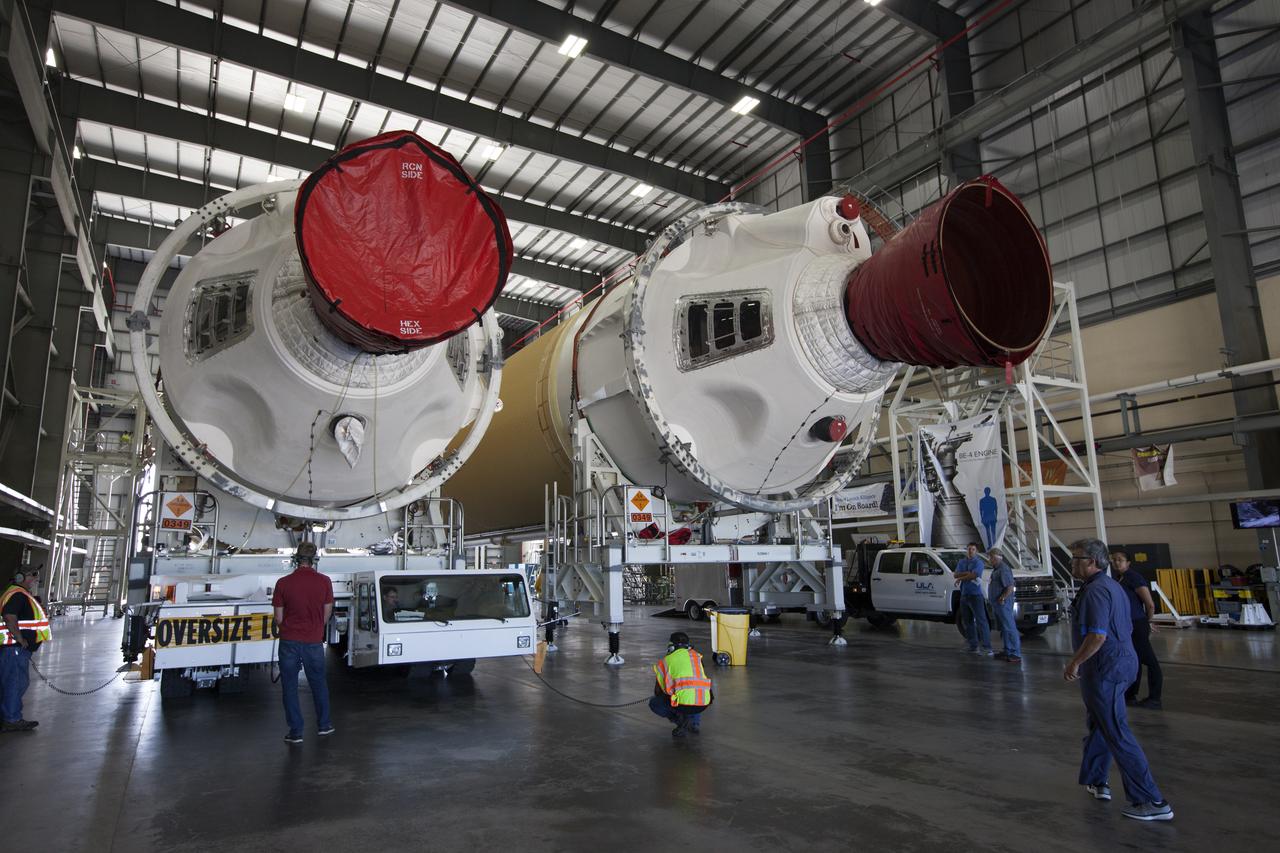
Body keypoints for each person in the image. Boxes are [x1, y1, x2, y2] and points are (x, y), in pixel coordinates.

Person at [1064, 538, 1172, 821]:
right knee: (1100, 723)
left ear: (1092, 562)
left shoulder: (1097, 591)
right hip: (1121, 663)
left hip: (1104, 668)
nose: (1071, 563)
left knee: (1116, 731)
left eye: (1076, 558)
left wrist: (1076, 661)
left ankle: (1151, 800)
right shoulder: (1111, 586)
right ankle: (1097, 780)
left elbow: (1098, 635)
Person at [272, 541, 334, 744]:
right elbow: (327, 613)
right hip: (313, 641)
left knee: (289, 686)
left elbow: (279, 617)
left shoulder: (283, 583)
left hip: (289, 640)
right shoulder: (324, 581)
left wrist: (290, 629)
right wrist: (316, 628)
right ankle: (324, 725)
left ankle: (296, 732)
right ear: (315, 559)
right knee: (318, 684)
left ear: (296, 559)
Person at [1110, 550, 1163, 710]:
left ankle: (1155, 698)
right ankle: (1130, 695)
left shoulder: (1134, 578)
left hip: (1137, 623)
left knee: (1150, 661)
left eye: (1120, 560)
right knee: (1135, 660)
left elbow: (1149, 604)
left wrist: (1148, 621)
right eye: (1114, 560)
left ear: (1128, 563)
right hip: (1127, 625)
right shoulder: (1119, 579)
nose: (1116, 563)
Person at [0, 569, 51, 732]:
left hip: (14, 649)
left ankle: (8, 716)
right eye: (31, 576)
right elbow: (9, 616)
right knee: (15, 683)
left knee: (13, 682)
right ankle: (11, 719)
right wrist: (20, 638)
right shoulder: (17, 594)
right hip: (13, 648)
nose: (35, 579)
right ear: (20, 578)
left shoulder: (19, 593)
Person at [650, 631, 713, 737]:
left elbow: (658, 691)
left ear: (671, 647)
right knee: (694, 693)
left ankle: (682, 722)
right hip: (704, 702)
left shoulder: (666, 661)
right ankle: (694, 724)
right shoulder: (697, 657)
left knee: (655, 703)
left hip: (683, 704)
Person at [954, 542, 993, 656]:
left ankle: (987, 647)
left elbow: (974, 575)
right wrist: (966, 573)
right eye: (969, 549)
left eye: (973, 549)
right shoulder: (962, 562)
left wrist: (962, 577)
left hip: (976, 595)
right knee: (968, 621)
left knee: (981, 621)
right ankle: (973, 645)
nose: (970, 551)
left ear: (976, 551)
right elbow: (955, 574)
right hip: (964, 595)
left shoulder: (979, 562)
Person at [987, 549, 1021, 663]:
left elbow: (1010, 587)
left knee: (1009, 627)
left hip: (1003, 604)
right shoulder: (996, 570)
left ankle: (1015, 653)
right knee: (1004, 628)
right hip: (997, 604)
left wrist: (1002, 598)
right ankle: (1007, 650)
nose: (989, 560)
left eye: (991, 557)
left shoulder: (1003, 569)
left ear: (996, 558)